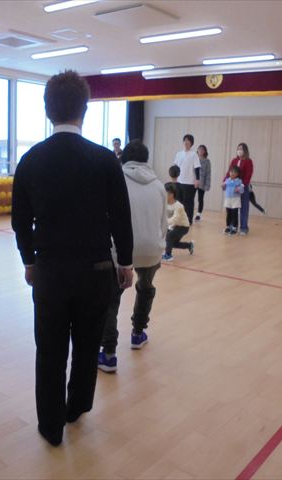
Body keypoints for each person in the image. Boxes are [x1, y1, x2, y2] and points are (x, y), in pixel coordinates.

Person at [11, 70, 134, 447]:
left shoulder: (31, 160)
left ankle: (50, 426)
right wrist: (126, 262)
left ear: (47, 109)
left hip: (49, 271)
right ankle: (77, 405)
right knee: (86, 343)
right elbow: (121, 216)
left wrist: (28, 260)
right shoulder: (105, 159)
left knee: (49, 349)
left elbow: (19, 220)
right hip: (96, 270)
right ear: (85, 109)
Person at [98, 140, 167, 373]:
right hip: (151, 248)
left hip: (121, 250)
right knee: (145, 288)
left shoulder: (117, 179)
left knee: (112, 297)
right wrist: (158, 246)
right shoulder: (159, 185)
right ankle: (138, 333)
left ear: (123, 158)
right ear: (146, 160)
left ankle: (109, 353)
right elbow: (163, 224)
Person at [224, 143, 254, 235]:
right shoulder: (234, 160)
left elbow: (248, 176)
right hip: (232, 188)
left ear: (245, 150)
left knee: (244, 208)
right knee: (232, 208)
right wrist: (224, 182)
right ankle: (232, 226)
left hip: (243, 187)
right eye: (238, 149)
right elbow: (228, 173)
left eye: (241, 149)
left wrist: (241, 185)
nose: (239, 150)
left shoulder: (248, 161)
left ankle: (244, 228)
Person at [173, 134, 200, 225]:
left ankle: (188, 220)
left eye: (188, 140)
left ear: (191, 143)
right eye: (185, 140)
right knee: (178, 202)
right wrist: (174, 178)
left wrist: (197, 180)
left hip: (190, 183)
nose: (186, 142)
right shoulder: (178, 154)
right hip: (179, 181)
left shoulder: (194, 154)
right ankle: (179, 219)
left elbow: (197, 168)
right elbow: (175, 167)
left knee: (188, 202)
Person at [162, 183, 193, 261]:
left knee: (169, 236)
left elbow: (175, 219)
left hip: (183, 226)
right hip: (174, 225)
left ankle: (168, 255)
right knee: (172, 243)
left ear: (171, 194)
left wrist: (164, 223)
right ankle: (189, 245)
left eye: (165, 193)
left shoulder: (179, 206)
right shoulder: (164, 203)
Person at [223, 166, 245, 236]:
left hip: (235, 200)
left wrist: (238, 189)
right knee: (228, 213)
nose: (232, 173)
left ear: (237, 174)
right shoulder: (227, 180)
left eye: (234, 172)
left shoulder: (239, 181)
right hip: (228, 199)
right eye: (231, 172)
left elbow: (242, 190)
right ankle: (228, 227)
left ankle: (234, 228)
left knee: (234, 214)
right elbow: (224, 188)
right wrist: (223, 186)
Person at [195, 144, 211, 222]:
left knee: (200, 199)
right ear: (197, 151)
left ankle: (198, 214)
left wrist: (207, 185)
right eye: (199, 149)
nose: (201, 151)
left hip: (202, 183)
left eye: (202, 149)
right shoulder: (194, 159)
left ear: (205, 151)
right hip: (193, 182)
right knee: (190, 198)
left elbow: (208, 174)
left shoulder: (207, 161)